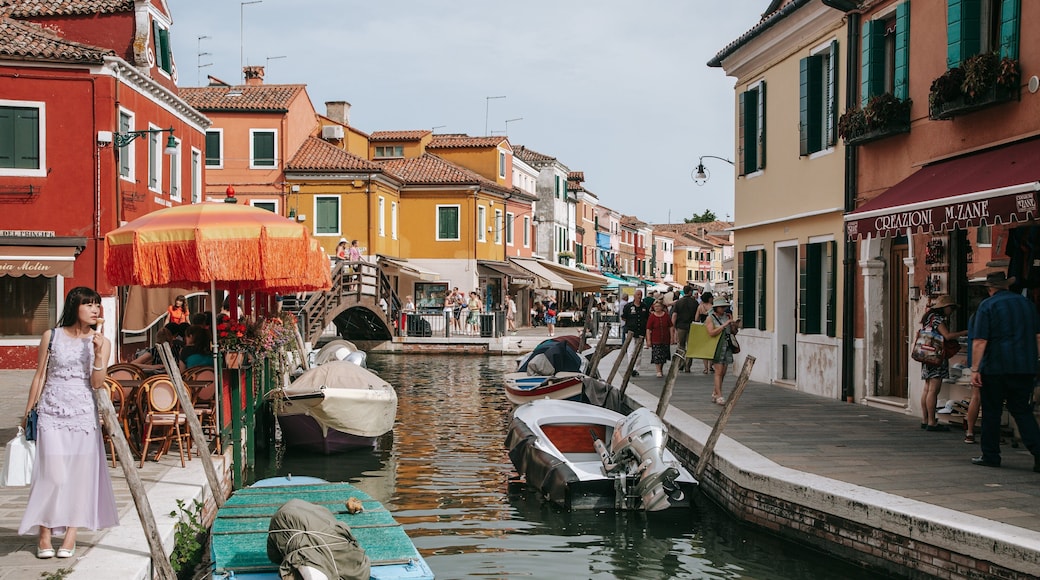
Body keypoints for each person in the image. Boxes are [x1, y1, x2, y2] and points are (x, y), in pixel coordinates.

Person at [19, 286, 119, 559]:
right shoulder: (51, 336)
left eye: (97, 305)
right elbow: (40, 376)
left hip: (83, 415)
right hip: (51, 412)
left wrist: (98, 354)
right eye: (89, 304)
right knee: (52, 475)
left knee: (78, 477)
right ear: (75, 306)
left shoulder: (102, 342)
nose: (95, 309)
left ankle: (71, 534)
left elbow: (97, 383)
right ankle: (44, 532)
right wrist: (28, 412)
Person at [969, 272, 1040, 471]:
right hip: (1024, 367)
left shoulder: (987, 305)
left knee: (992, 412)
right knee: (1022, 411)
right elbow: (1038, 337)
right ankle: (1038, 453)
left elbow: (980, 341)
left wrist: (975, 369)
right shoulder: (1027, 305)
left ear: (990, 289)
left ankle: (991, 455)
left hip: (995, 367)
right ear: (1006, 286)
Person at [918, 295, 967, 432]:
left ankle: (925, 419)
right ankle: (932, 422)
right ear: (945, 308)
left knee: (927, 388)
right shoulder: (938, 319)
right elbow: (947, 336)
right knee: (934, 390)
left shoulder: (928, 317)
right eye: (951, 308)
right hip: (936, 356)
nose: (952, 311)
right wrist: (965, 332)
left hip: (926, 355)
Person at [705, 299, 738, 405]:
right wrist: (724, 325)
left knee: (723, 372)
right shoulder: (710, 318)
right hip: (717, 346)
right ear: (716, 308)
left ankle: (715, 392)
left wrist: (734, 325)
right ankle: (719, 395)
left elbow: (733, 332)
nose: (723, 309)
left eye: (724, 307)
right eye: (721, 307)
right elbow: (711, 333)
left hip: (727, 345)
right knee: (718, 372)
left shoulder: (728, 316)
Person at [622, 289, 650, 376]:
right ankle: (631, 368)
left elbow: (647, 317)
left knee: (639, 351)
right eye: (638, 294)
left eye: (640, 295)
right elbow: (624, 317)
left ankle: (636, 369)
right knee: (631, 350)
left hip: (641, 331)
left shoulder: (644, 306)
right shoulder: (628, 306)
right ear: (634, 296)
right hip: (630, 331)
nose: (639, 296)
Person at [672, 285, 699, 373]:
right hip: (692, 326)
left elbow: (674, 315)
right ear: (690, 292)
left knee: (681, 346)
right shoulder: (694, 302)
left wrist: (673, 326)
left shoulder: (679, 302)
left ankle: (680, 364)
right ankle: (688, 366)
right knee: (690, 347)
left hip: (681, 326)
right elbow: (697, 316)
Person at [645, 299, 674, 377]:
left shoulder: (666, 316)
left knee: (663, 356)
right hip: (655, 339)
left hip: (665, 338)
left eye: (658, 306)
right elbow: (648, 329)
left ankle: (660, 369)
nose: (657, 308)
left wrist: (672, 337)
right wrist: (648, 340)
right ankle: (658, 370)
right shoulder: (652, 317)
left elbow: (670, 327)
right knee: (657, 355)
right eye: (655, 306)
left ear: (661, 307)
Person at [695, 291, 715, 374]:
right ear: (710, 298)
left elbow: (696, 318)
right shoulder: (713, 307)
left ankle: (705, 368)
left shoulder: (700, 307)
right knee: (711, 347)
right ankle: (711, 366)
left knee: (704, 348)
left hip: (703, 328)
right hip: (712, 327)